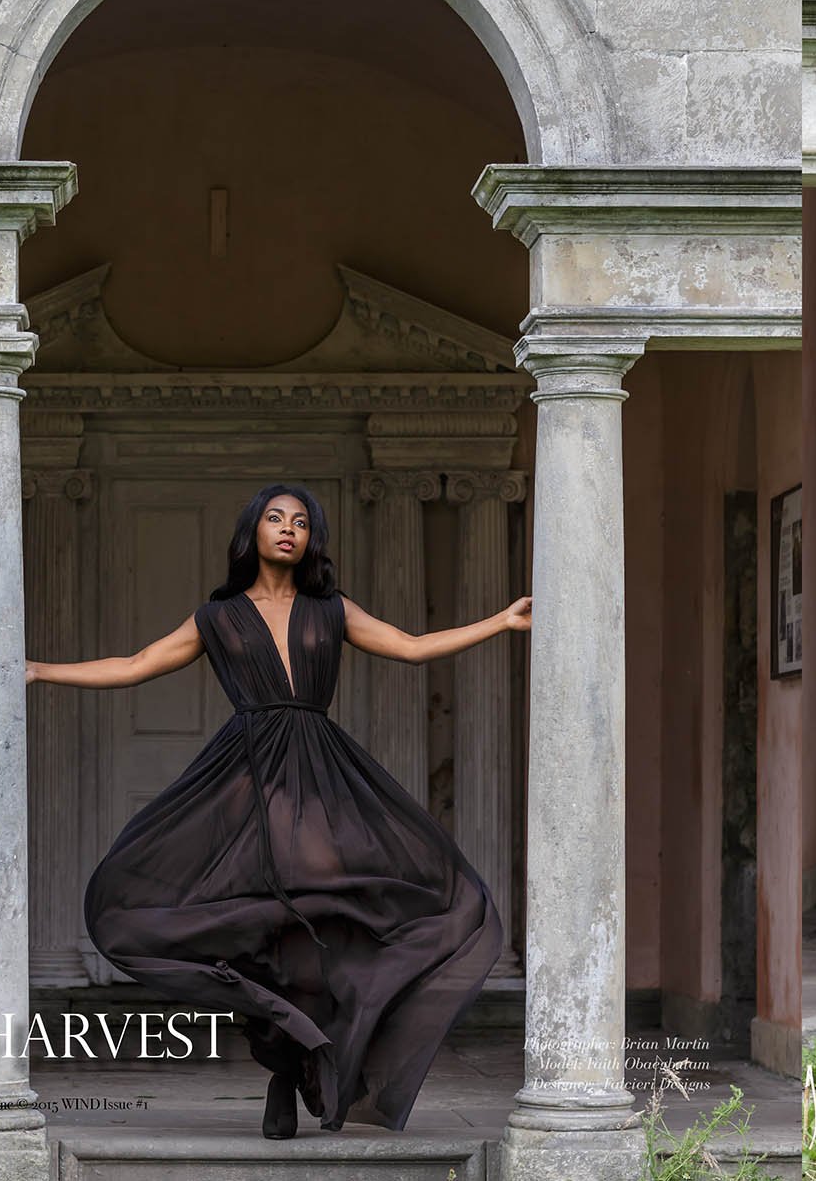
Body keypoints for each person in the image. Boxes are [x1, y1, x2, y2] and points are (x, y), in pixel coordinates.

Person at [27, 483, 528, 1136]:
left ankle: (300, 1068)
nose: (288, 529)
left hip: (320, 773)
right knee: (257, 935)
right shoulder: (219, 616)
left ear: (311, 538)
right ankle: (284, 1068)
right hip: (247, 777)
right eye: (275, 518)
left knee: (319, 930)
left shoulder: (331, 609)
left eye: (301, 522)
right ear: (253, 532)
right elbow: (137, 664)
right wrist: (40, 669)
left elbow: (410, 646)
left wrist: (501, 621)